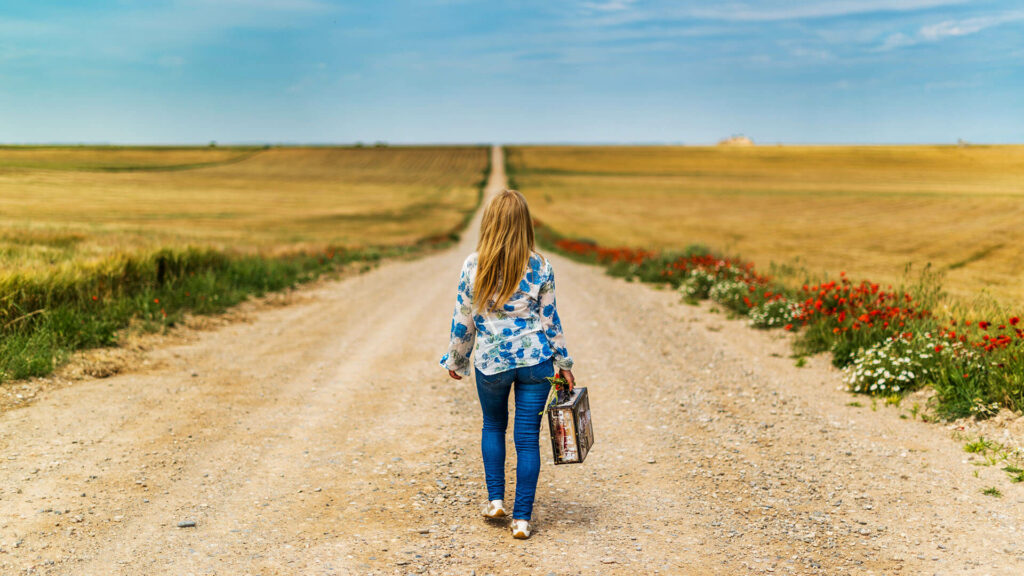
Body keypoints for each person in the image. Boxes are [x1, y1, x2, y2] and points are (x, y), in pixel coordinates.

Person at [440, 189, 575, 540]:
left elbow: (463, 319)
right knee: (527, 440)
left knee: (493, 426)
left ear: (491, 223)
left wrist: (457, 358)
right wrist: (564, 362)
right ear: (524, 225)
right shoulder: (541, 265)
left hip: (492, 363)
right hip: (536, 362)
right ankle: (522, 520)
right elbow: (550, 320)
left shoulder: (474, 264)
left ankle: (496, 499)